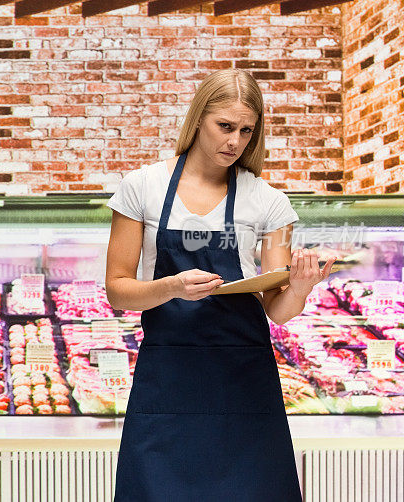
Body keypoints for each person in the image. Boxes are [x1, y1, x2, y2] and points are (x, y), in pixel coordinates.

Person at [105, 69, 334, 501]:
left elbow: (277, 309)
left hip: (244, 384)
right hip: (167, 380)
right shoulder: (142, 188)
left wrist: (301, 287)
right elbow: (117, 290)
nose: (234, 141)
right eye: (225, 126)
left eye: (246, 131)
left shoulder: (269, 202)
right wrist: (171, 286)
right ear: (198, 119)